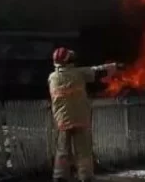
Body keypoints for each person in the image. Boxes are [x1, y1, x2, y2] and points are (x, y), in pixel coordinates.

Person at [49, 48, 122, 182]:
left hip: (62, 121)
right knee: (83, 151)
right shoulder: (79, 74)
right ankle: (86, 177)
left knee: (62, 151)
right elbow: (97, 71)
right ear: (68, 60)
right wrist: (113, 67)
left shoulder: (52, 78)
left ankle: (60, 176)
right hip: (80, 119)